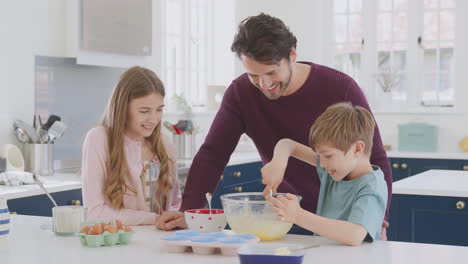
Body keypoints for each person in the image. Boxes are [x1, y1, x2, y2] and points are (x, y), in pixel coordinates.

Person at [156, 13, 392, 235]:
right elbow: (212, 154)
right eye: (253, 75)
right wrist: (189, 211)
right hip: (284, 216)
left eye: (271, 72)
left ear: (291, 55)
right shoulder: (241, 93)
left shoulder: (340, 87)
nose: (263, 83)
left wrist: (377, 217)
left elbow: (375, 158)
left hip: (343, 219)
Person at [265, 102, 387, 246]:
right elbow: (288, 144)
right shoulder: (337, 169)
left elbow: (354, 235)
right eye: (320, 156)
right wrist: (279, 162)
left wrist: (298, 215)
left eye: (328, 156)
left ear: (357, 149)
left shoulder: (372, 186)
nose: (321, 164)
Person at [82, 66, 181, 225]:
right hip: (118, 245)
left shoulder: (165, 144)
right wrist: (154, 219)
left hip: (159, 242)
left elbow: (175, 204)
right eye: (144, 111)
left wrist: (175, 218)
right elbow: (95, 213)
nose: (153, 119)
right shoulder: (99, 139)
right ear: (123, 108)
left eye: (159, 110)